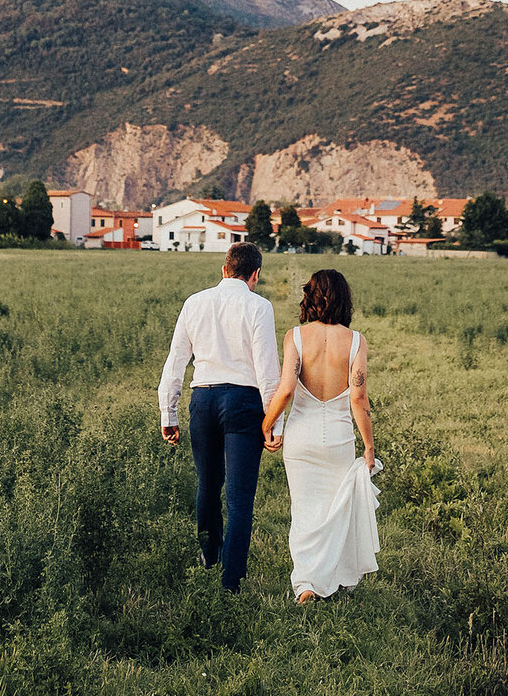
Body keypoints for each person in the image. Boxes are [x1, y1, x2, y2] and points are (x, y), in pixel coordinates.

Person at [158, 242, 280, 592]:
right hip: (244, 401)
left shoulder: (194, 303)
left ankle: (210, 557)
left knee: (207, 486)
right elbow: (267, 370)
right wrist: (274, 424)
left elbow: (176, 361)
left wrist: (169, 413)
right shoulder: (259, 306)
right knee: (240, 498)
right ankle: (231, 582)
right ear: (254, 274)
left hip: (203, 399)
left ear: (224, 269)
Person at [261, 267, 379, 603]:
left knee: (304, 510)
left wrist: (267, 423)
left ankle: (307, 584)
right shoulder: (356, 341)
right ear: (344, 300)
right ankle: (333, 578)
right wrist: (369, 447)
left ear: (310, 297)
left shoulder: (295, 337)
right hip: (339, 440)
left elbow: (285, 390)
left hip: (301, 438)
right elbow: (358, 398)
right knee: (334, 510)